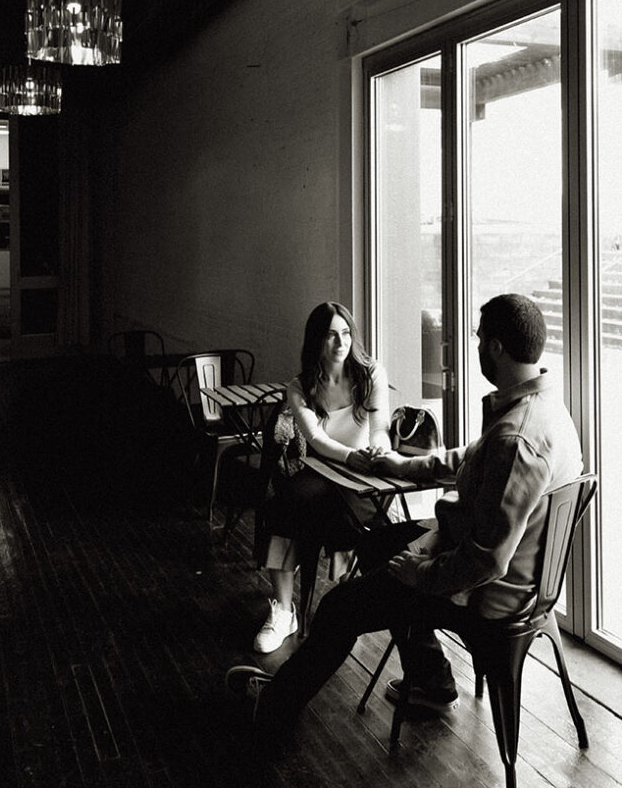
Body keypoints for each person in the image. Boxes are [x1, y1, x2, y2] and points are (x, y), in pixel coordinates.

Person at [227, 293, 583, 736]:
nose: (474, 347)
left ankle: (273, 710)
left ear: (496, 347)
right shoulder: (543, 408)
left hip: (489, 593)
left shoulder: (517, 438)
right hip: (506, 573)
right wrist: (403, 465)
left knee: (339, 606)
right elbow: (469, 459)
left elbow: (488, 560)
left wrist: (423, 574)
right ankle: (431, 679)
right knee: (377, 544)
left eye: (478, 338)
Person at [252, 300, 392, 653]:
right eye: (330, 335)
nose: (340, 342)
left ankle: (353, 606)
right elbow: (315, 439)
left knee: (363, 522)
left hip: (359, 474)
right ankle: (284, 611)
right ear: (316, 340)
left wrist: (376, 449)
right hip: (322, 467)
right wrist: (351, 457)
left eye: (345, 333)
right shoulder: (299, 386)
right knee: (283, 505)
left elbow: (380, 429)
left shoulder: (371, 372)